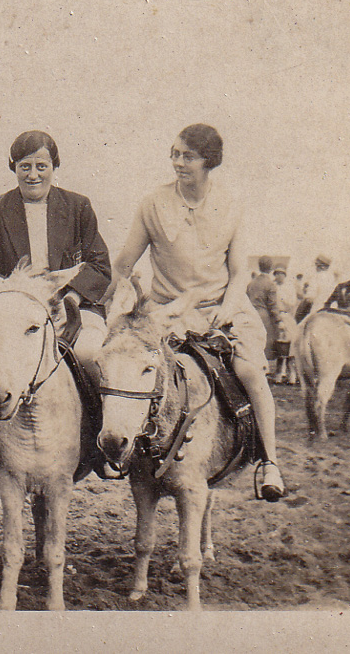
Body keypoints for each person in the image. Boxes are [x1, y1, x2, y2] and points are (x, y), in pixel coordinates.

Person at [104, 123, 286, 501]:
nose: (178, 162)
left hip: (221, 308)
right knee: (125, 366)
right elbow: (123, 262)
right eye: (174, 154)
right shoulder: (153, 204)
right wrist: (118, 297)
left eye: (188, 156)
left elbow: (238, 273)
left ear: (209, 161)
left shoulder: (231, 205)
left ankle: (269, 460)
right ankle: (117, 451)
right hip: (166, 313)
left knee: (250, 371)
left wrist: (227, 309)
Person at [0, 130, 111, 475]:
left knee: (90, 356)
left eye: (42, 165)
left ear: (54, 166)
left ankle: (102, 444)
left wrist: (70, 298)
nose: (33, 174)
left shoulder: (78, 206)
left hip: (70, 310)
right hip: (13, 312)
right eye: (24, 166)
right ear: (13, 168)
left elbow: (100, 264)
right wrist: (7, 302)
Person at [246, 255, 281, 366]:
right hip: (263, 316)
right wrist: (279, 320)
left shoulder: (251, 283)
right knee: (264, 344)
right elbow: (273, 306)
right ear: (271, 268)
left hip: (250, 315)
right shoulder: (270, 284)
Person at [271, 265, 299, 384]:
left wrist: (282, 300)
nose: (279, 276)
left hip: (287, 316)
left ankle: (291, 375)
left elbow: (292, 303)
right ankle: (279, 374)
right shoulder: (272, 286)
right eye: (277, 274)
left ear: (285, 275)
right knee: (279, 347)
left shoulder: (289, 287)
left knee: (289, 347)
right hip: (276, 317)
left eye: (281, 274)